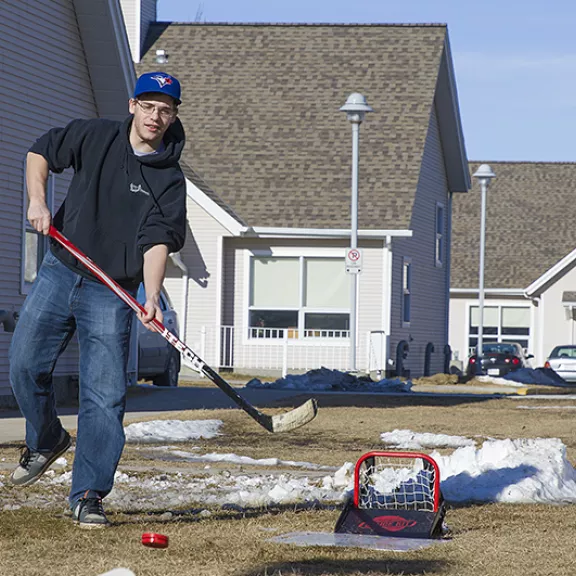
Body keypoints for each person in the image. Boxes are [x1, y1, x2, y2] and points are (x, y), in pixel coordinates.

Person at [9, 72, 187, 529]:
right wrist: (37, 202)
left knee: (104, 396)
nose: (155, 116)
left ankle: (88, 494)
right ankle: (46, 438)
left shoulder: (169, 178)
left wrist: (150, 294)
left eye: (165, 109)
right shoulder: (95, 135)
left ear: (173, 116)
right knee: (24, 366)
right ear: (133, 105)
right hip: (61, 268)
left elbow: (157, 240)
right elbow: (39, 153)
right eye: (148, 105)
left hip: (112, 290)